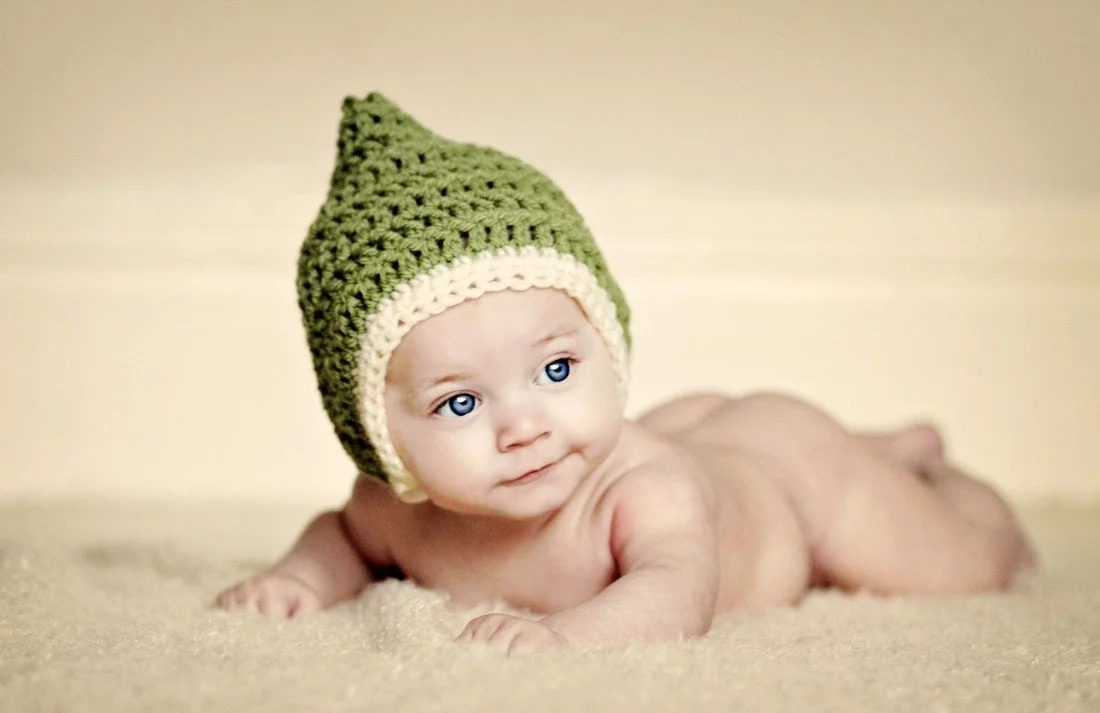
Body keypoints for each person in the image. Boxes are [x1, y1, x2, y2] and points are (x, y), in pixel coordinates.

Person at [215, 93, 1035, 655]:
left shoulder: (639, 492)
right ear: (378, 436)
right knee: (703, 435)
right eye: (460, 401)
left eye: (558, 367)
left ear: (607, 346)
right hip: (705, 435)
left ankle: (925, 470)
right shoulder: (391, 508)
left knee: (961, 564)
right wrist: (296, 578)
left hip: (789, 473)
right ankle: (884, 447)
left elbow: (679, 589)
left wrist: (570, 637)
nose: (524, 424)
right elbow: (342, 536)